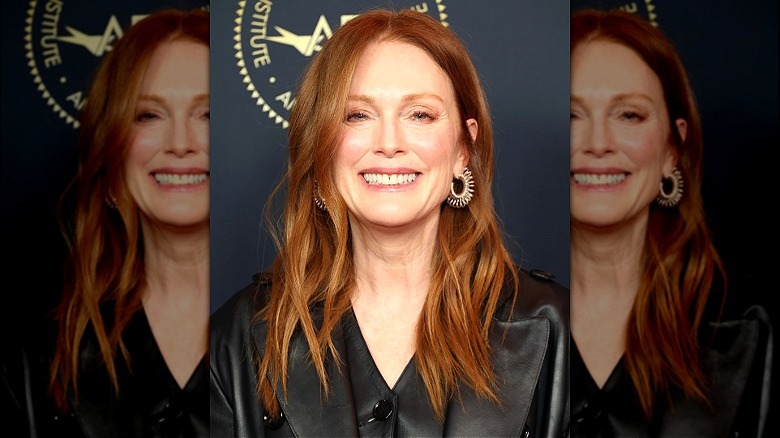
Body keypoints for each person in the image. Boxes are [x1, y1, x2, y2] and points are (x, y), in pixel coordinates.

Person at [210, 8, 569, 437]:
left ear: (462, 148)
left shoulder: (554, 327)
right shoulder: (238, 336)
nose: (389, 144)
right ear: (320, 149)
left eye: (420, 114)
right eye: (357, 115)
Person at [1, 8, 210, 437]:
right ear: (111, 145)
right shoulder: (42, 348)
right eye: (148, 115)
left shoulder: (307, 335)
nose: (181, 144)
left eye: (208, 115)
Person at [569, 8, 772, 437]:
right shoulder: (495, 323)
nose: (598, 144)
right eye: (572, 115)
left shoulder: (744, 328)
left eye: (629, 115)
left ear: (672, 149)